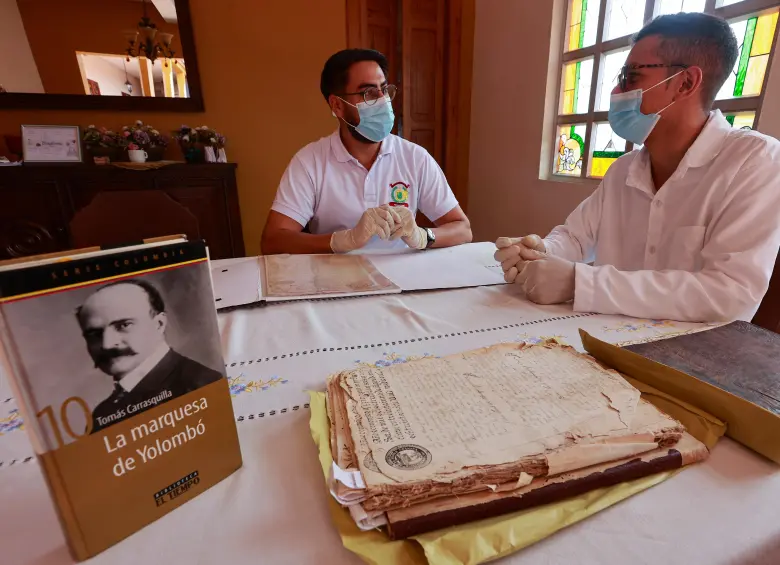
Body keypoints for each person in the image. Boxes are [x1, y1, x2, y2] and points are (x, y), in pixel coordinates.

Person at [496, 13, 780, 323]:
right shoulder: (624, 169)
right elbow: (576, 238)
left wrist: (580, 283)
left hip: (693, 360)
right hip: (606, 343)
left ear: (685, 83)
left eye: (631, 77)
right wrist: (540, 251)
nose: (617, 93)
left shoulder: (754, 162)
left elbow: (729, 294)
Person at [261, 48, 471, 254]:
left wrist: (423, 236)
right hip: (336, 281)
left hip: (404, 279)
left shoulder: (415, 158)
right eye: (368, 93)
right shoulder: (310, 162)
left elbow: (462, 229)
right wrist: (344, 240)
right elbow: (273, 240)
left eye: (384, 89)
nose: (382, 100)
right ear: (337, 105)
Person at [77, 279, 223, 432]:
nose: (107, 344)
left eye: (124, 325)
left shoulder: (203, 386)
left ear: (159, 324)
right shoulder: (102, 414)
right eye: (94, 334)